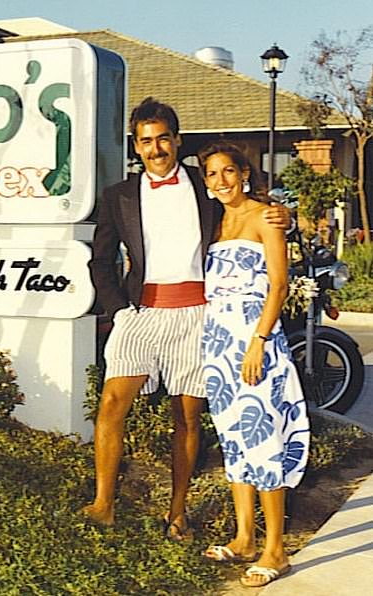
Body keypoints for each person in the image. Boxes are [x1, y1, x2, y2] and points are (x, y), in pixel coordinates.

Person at [83, 97, 290, 538]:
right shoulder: (118, 195)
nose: (155, 149)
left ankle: (178, 512)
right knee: (112, 404)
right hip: (140, 314)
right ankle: (103, 504)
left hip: (198, 316)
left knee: (187, 417)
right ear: (135, 147)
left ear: (177, 141)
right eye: (145, 142)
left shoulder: (204, 183)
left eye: (163, 139)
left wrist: (282, 215)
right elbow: (101, 261)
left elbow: (247, 203)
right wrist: (119, 311)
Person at [198, 141, 309, 587]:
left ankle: (275, 550)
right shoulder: (218, 221)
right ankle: (244, 538)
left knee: (264, 441)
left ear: (244, 172)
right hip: (218, 346)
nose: (221, 180)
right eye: (212, 174)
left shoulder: (267, 216)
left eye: (228, 171)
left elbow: (278, 286)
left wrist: (259, 340)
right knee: (235, 442)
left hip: (255, 343)